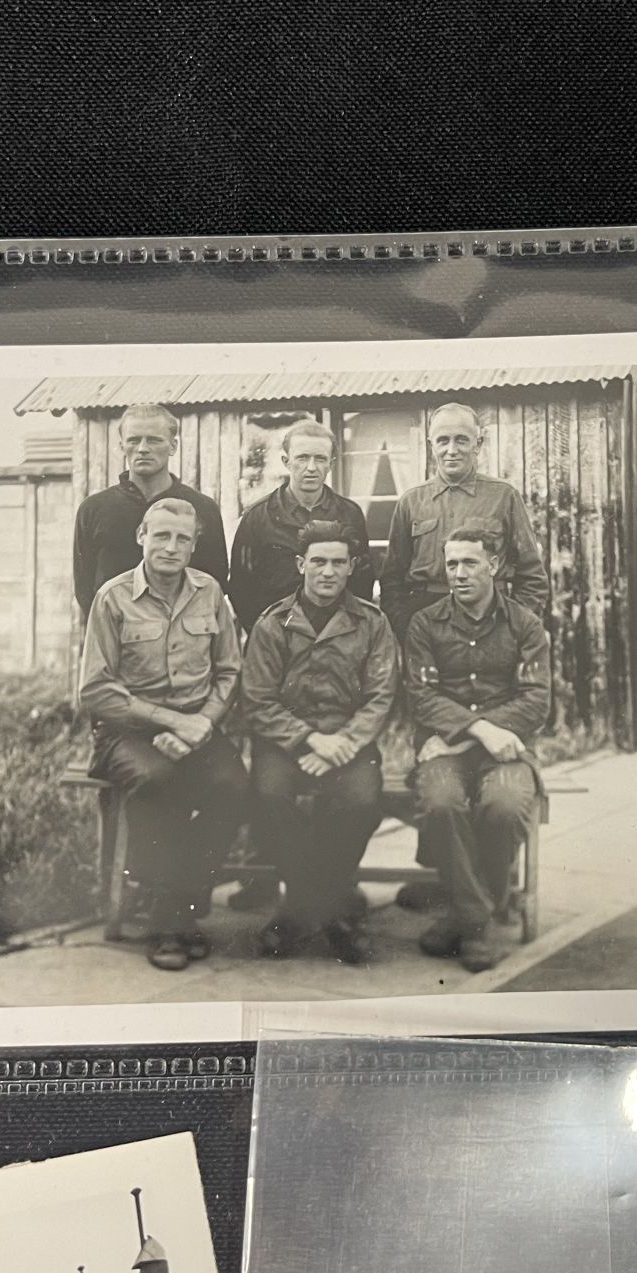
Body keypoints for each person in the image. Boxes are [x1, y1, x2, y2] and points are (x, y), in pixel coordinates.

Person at [78, 498, 246, 971]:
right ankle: (167, 922)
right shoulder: (112, 597)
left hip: (198, 725)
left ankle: (184, 902)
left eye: (182, 539)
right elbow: (95, 689)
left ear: (194, 546)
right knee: (158, 781)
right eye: (162, 535)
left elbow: (229, 671)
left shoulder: (210, 592)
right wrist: (173, 722)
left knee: (234, 786)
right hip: (127, 732)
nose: (171, 547)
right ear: (142, 537)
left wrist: (201, 724)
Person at [240, 522, 400, 964]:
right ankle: (332, 913)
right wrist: (308, 739)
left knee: (362, 802)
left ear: (351, 568)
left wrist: (343, 741)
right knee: (270, 796)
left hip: (349, 742)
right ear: (301, 565)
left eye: (337, 563)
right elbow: (257, 699)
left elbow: (381, 696)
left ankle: (298, 911)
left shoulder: (372, 623)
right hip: (285, 742)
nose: (327, 572)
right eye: (318, 562)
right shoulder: (273, 623)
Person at [405, 528, 551, 972]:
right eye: (451, 564)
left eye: (470, 563)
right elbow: (420, 696)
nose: (459, 574)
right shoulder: (425, 624)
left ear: (495, 565)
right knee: (441, 803)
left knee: (505, 805)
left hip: (503, 747)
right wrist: (479, 731)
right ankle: (479, 920)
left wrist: (476, 734)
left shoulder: (524, 624)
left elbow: (536, 699)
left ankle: (465, 917)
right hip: (443, 751)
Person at [376, 401, 548, 635]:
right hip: (425, 623)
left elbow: (532, 576)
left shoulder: (503, 497)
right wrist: (404, 625)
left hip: (489, 620)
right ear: (431, 446)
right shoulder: (411, 501)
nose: (452, 450)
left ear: (478, 444)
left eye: (461, 440)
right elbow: (392, 579)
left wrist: (513, 628)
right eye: (443, 440)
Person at [72, 402, 230, 617]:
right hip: (117, 630)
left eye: (154, 440)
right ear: (121, 446)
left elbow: (214, 581)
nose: (143, 448)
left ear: (173, 446)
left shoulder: (202, 508)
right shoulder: (94, 509)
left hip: (183, 630)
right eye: (134, 440)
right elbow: (84, 589)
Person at [228, 419, 374, 631]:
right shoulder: (258, 517)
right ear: (286, 461)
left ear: (331, 464)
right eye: (302, 458)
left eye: (320, 459)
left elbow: (362, 582)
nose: (311, 468)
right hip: (277, 635)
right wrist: (266, 634)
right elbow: (241, 589)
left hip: (336, 635)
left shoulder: (350, 515)